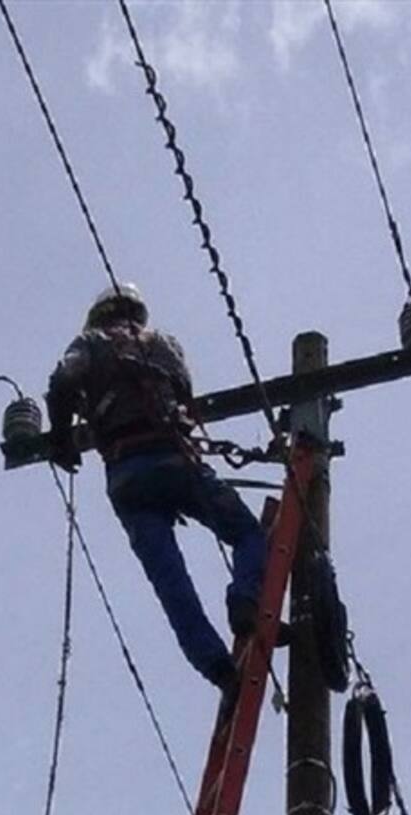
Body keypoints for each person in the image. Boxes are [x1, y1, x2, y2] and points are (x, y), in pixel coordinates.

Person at [45, 284, 275, 708]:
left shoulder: (90, 343)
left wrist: (61, 439)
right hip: (176, 461)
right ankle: (245, 599)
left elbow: (63, 380)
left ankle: (216, 667)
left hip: (127, 479)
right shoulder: (164, 344)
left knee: (171, 583)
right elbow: (184, 395)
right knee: (246, 533)